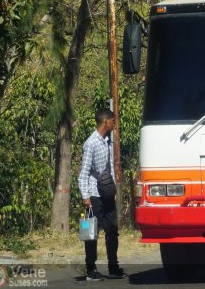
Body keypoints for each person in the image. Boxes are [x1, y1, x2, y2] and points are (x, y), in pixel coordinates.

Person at [78, 108, 126, 281]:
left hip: (107, 193)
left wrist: (112, 190)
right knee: (91, 232)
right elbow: (83, 173)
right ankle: (91, 269)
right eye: (112, 121)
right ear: (106, 122)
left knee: (112, 230)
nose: (114, 124)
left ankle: (113, 267)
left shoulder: (107, 141)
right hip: (94, 195)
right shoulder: (91, 143)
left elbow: (110, 169)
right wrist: (86, 196)